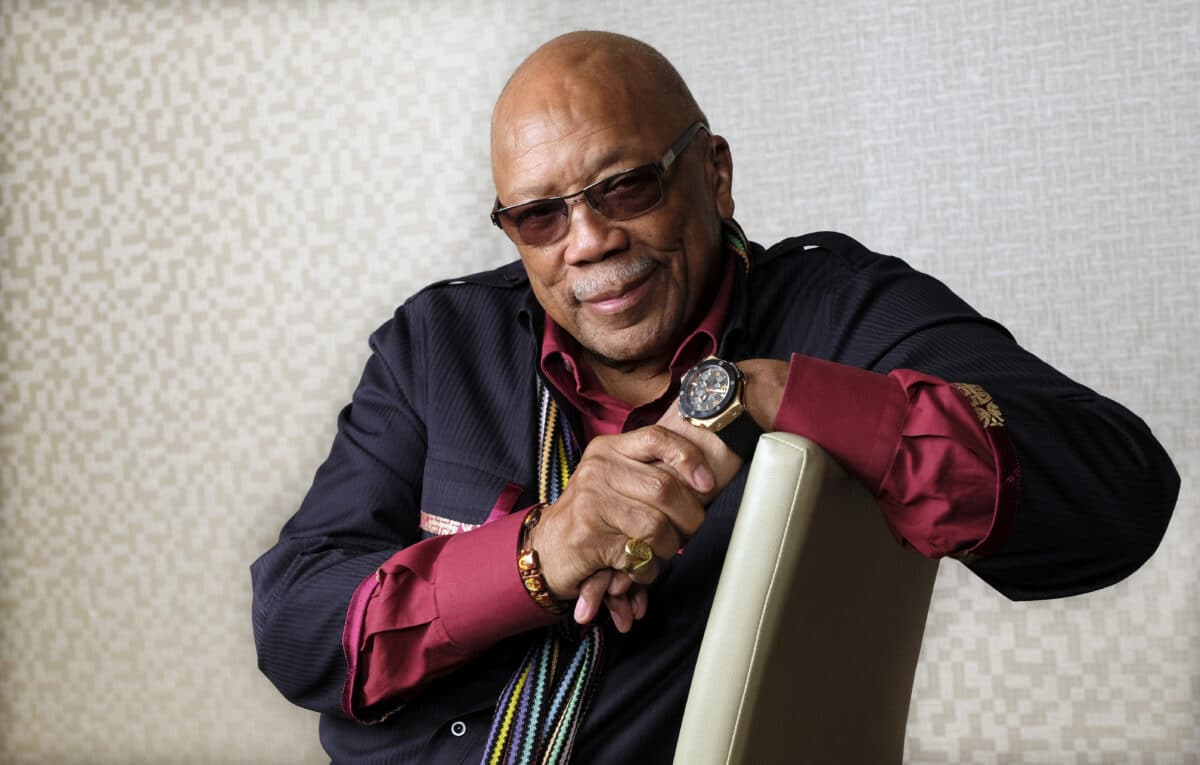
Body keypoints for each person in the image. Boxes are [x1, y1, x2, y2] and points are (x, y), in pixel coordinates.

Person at [251, 31, 1178, 764]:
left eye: (624, 186)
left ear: (715, 174)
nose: (587, 242)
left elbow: (1118, 494)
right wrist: (539, 554)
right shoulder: (436, 345)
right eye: (539, 216)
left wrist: (762, 395)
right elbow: (295, 623)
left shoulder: (840, 314)